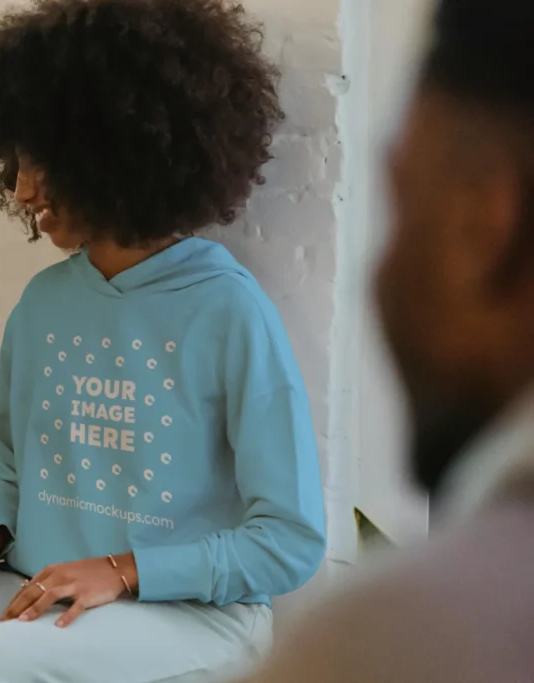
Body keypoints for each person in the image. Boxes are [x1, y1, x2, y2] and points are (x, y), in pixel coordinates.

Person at [0, 1, 326, 681]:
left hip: (189, 609)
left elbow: (289, 540)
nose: (24, 189)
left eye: (47, 164)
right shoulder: (43, 305)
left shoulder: (228, 310)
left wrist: (123, 570)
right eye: (17, 162)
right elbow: (13, 464)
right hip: (39, 578)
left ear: (117, 154)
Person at [238, 0, 534, 681]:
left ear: (483, 222)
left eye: (402, 206)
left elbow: (280, 537)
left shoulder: (404, 639)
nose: (382, 277)